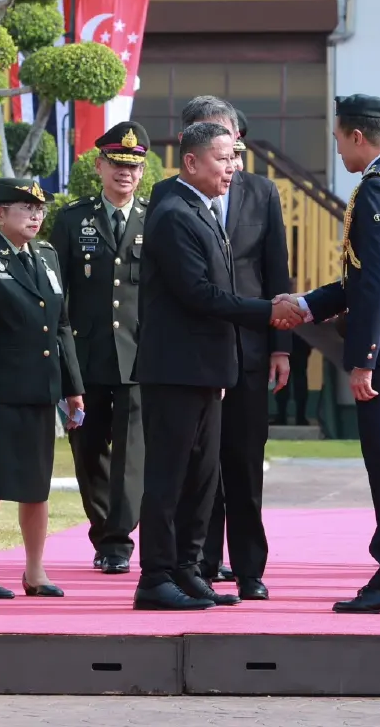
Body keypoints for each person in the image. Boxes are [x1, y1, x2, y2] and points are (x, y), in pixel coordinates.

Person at [273, 94, 380, 614]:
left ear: (357, 136)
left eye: (338, 139)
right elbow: (378, 276)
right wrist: (308, 304)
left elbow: (376, 283)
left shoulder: (377, 187)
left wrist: (364, 357)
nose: (338, 149)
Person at [132, 121, 277, 612]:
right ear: (191, 162)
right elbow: (199, 293)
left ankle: (187, 569)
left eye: (234, 156)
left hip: (207, 370)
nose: (232, 167)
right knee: (168, 477)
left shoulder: (202, 207)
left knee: (202, 478)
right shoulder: (174, 213)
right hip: (175, 369)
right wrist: (268, 311)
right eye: (222, 158)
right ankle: (155, 576)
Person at [0, 178, 85, 599]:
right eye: (26, 208)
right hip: (1, 392)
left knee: (36, 485)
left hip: (41, 389)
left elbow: (61, 326)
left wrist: (72, 386)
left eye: (39, 209)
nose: (35, 216)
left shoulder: (46, 255)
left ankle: (35, 571)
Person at [192, 103, 291, 602]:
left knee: (246, 463)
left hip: (251, 348)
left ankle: (250, 568)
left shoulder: (262, 191)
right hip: (200, 350)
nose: (228, 152)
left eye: (231, 138)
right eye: (216, 139)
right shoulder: (179, 197)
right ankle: (203, 563)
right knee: (202, 464)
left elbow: (277, 270)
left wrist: (281, 347)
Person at [49, 121, 150, 575]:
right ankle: (103, 527)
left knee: (132, 452)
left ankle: (117, 539)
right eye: (117, 164)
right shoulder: (73, 219)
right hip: (86, 357)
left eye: (133, 166)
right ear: (99, 166)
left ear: (142, 171)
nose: (125, 173)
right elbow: (57, 295)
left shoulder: (155, 219)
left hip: (138, 356)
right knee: (88, 448)